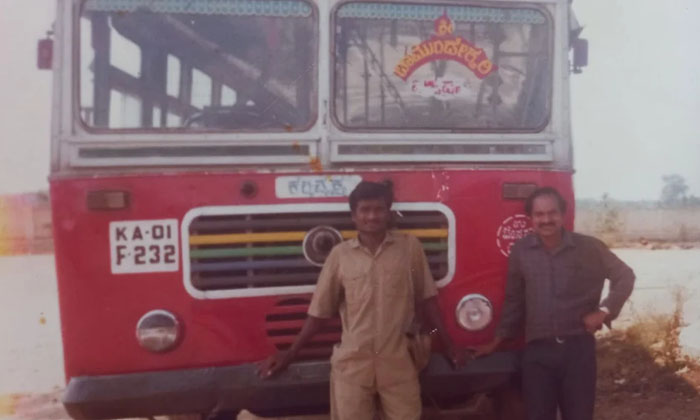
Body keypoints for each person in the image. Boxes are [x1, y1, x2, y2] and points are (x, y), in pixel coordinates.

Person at [257, 180, 464, 420]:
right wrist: (290, 353)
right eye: (365, 210)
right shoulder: (340, 256)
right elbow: (320, 312)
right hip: (352, 367)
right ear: (354, 216)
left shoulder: (410, 249)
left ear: (388, 213)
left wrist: (448, 345)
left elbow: (427, 300)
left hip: (399, 364)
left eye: (379, 210)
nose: (372, 216)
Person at [475, 186, 635, 420]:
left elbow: (625, 276)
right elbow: (514, 301)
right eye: (539, 215)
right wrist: (495, 342)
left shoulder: (589, 248)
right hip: (537, 355)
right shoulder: (521, 251)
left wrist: (604, 311)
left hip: (577, 351)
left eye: (552, 213)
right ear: (531, 219)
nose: (546, 220)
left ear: (563, 214)